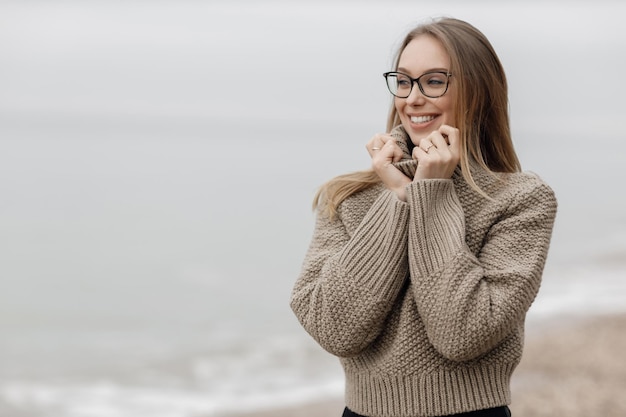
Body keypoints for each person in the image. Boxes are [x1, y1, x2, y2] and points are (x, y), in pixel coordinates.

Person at [289, 17, 558, 417]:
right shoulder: (348, 196)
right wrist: (397, 198)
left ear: (478, 90)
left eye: (434, 81)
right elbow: (333, 327)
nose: (412, 98)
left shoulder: (521, 200)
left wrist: (431, 195)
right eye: (403, 81)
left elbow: (463, 333)